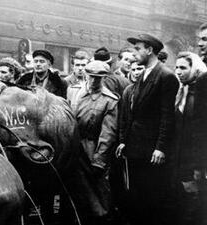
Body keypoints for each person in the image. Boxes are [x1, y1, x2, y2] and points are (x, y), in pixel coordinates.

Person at [116, 33, 179, 225]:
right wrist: (124, 141)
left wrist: (160, 147)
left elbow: (168, 116)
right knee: (137, 197)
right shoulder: (143, 75)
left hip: (152, 151)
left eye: (138, 49)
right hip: (135, 149)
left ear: (149, 50)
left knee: (152, 199)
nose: (134, 53)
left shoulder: (166, 76)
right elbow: (133, 114)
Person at [70, 60, 118, 225]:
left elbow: (108, 134)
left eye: (99, 77)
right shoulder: (74, 91)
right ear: (85, 74)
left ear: (104, 78)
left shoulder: (109, 100)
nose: (94, 80)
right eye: (91, 76)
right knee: (74, 192)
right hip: (72, 147)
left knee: (97, 195)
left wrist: (99, 159)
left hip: (92, 148)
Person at [173, 52, 207, 183]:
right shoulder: (181, 90)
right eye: (176, 67)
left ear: (194, 68)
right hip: (180, 153)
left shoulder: (200, 92)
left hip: (195, 157)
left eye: (183, 68)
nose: (178, 72)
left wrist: (198, 165)